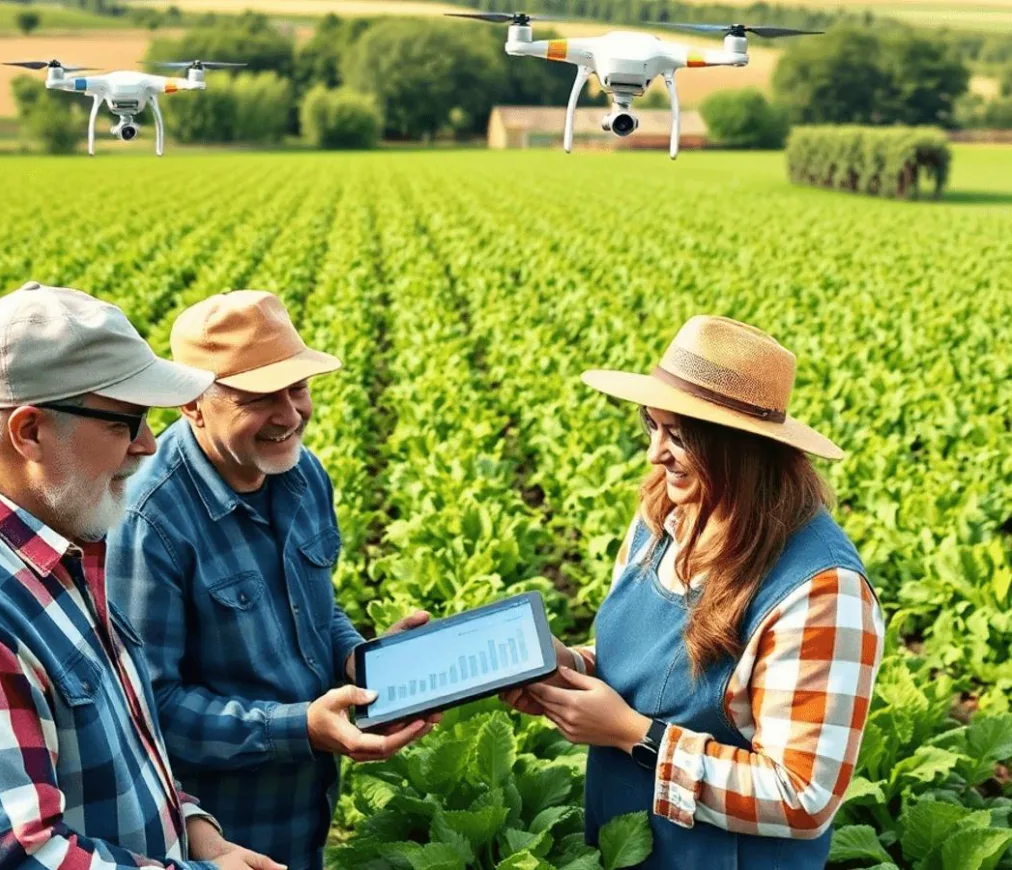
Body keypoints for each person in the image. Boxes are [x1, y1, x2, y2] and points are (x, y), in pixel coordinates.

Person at [0, 282, 284, 870]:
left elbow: (119, 748)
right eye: (125, 423)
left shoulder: (60, 542)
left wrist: (192, 827)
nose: (148, 445)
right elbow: (15, 860)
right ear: (29, 431)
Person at [504, 315, 885, 869]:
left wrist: (634, 735)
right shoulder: (666, 514)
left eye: (679, 436)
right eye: (651, 425)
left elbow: (804, 797)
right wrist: (572, 670)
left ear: (742, 450)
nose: (655, 453)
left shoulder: (823, 591)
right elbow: (650, 670)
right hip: (626, 843)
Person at [106, 290, 436, 870]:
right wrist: (299, 728)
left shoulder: (303, 472)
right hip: (219, 832)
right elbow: (145, 709)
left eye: (298, 388)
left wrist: (361, 661)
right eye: (258, 397)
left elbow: (318, 608)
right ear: (193, 405)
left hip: (306, 805)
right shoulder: (147, 521)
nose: (289, 415)